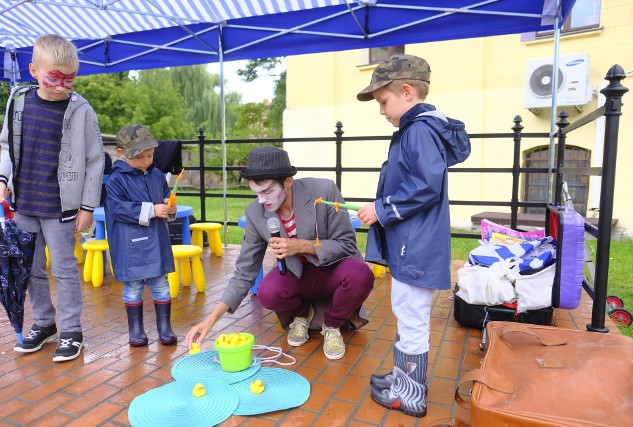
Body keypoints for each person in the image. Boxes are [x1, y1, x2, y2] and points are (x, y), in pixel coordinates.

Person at [356, 54, 471, 417]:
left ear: (406, 91)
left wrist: (382, 209)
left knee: (411, 316)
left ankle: (410, 394)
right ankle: (402, 380)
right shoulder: (418, 129)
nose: (381, 111)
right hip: (413, 241)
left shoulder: (418, 130)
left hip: (415, 245)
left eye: (383, 102)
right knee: (406, 312)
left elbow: (425, 186)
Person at [185, 146, 374, 360]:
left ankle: (332, 325)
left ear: (288, 181)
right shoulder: (255, 212)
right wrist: (211, 320)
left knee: (361, 274)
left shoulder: (324, 190)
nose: (261, 201)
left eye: (266, 192)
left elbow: (347, 244)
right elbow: (244, 272)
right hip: (297, 275)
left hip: (333, 270)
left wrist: (302, 246)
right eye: (256, 193)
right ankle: (302, 315)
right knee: (267, 292)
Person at [0, 34, 104, 362]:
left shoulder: (81, 109)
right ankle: (44, 323)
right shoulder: (17, 101)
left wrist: (88, 206)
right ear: (34, 70)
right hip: (24, 205)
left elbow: (94, 159)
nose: (62, 85)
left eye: (69, 78)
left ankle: (72, 329)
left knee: (64, 268)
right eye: (54, 77)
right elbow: (5, 145)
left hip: (61, 208)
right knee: (30, 268)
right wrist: (2, 178)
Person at [105, 124, 178, 347]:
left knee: (161, 284)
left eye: (150, 155)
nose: (146, 161)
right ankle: (135, 330)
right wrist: (152, 210)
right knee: (133, 287)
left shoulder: (156, 175)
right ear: (122, 154)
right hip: (131, 245)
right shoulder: (116, 180)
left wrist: (168, 206)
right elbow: (118, 209)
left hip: (156, 240)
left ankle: (164, 327)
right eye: (140, 157)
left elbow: (164, 197)